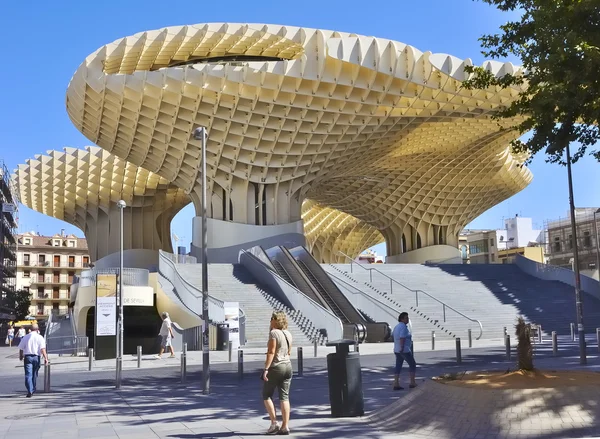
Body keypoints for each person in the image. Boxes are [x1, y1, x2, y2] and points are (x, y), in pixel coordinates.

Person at [262, 311, 293, 435]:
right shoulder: (288, 333)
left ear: (275, 320)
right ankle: (285, 426)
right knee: (284, 397)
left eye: (271, 319)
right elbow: (289, 352)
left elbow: (271, 352)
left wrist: (266, 369)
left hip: (276, 366)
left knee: (266, 395)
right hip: (288, 366)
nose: (270, 321)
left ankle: (274, 423)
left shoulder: (274, 333)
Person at [18, 324, 49, 397]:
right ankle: (33, 388)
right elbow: (43, 349)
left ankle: (30, 390)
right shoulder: (40, 337)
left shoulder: (25, 337)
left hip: (28, 357)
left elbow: (21, 348)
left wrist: (21, 356)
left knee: (28, 374)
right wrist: (46, 358)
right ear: (37, 329)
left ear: (30, 329)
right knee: (34, 374)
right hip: (36, 357)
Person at [392, 312, 417, 390]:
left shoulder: (396, 327)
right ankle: (412, 382)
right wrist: (402, 347)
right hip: (404, 349)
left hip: (397, 349)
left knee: (398, 365)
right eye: (406, 318)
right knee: (412, 364)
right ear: (402, 319)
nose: (408, 319)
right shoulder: (403, 327)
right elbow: (402, 337)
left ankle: (396, 383)